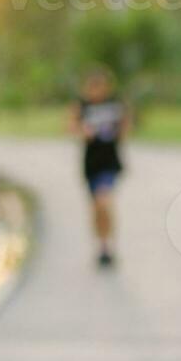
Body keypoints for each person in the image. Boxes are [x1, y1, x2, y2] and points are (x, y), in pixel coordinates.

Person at [67, 65, 131, 268]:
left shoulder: (116, 104)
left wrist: (121, 129)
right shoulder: (82, 106)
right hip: (91, 163)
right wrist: (82, 130)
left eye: (100, 86)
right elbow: (70, 126)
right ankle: (102, 245)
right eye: (93, 87)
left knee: (104, 201)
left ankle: (108, 244)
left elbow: (127, 126)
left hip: (109, 162)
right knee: (96, 207)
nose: (97, 91)